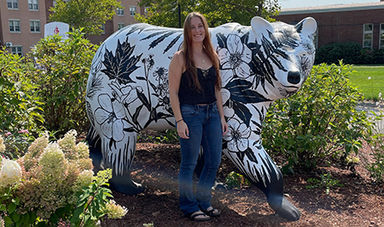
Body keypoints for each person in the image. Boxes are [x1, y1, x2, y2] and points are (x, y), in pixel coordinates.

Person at [168, 12, 228, 222]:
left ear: (205, 29)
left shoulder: (212, 55)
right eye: (192, 27)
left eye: (200, 26)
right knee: (189, 163)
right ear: (187, 31)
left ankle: (204, 201)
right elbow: (173, 92)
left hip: (212, 113)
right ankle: (188, 205)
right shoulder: (180, 58)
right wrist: (179, 120)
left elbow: (217, 89)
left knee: (213, 160)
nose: (197, 31)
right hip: (190, 115)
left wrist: (221, 116)